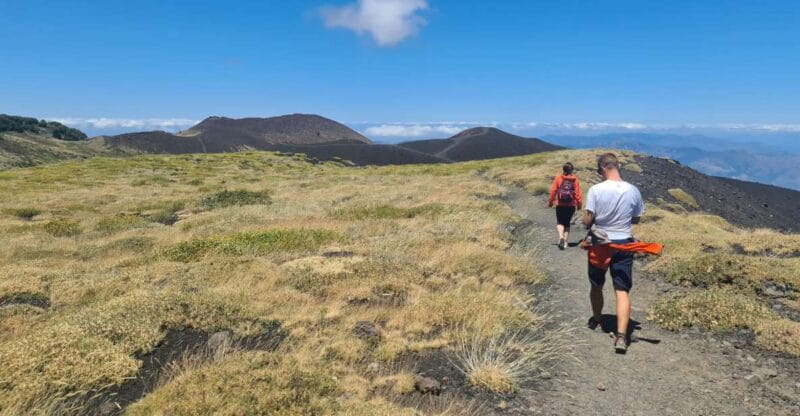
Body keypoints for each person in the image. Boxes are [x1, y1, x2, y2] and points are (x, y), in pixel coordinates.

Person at [582, 153, 645, 353]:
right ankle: (621, 336)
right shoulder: (633, 190)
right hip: (624, 244)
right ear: (618, 166)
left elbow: (587, 221)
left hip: (600, 244)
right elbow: (636, 219)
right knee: (622, 290)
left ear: (602, 168)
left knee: (596, 285)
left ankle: (598, 320)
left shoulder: (595, 190)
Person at [548, 162, 582, 250]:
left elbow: (553, 191)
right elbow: (578, 194)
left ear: (563, 169)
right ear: (572, 170)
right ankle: (565, 242)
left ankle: (561, 238)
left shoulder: (558, 178)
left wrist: (551, 202)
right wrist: (579, 205)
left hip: (560, 204)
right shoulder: (575, 180)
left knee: (560, 222)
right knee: (567, 223)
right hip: (571, 206)